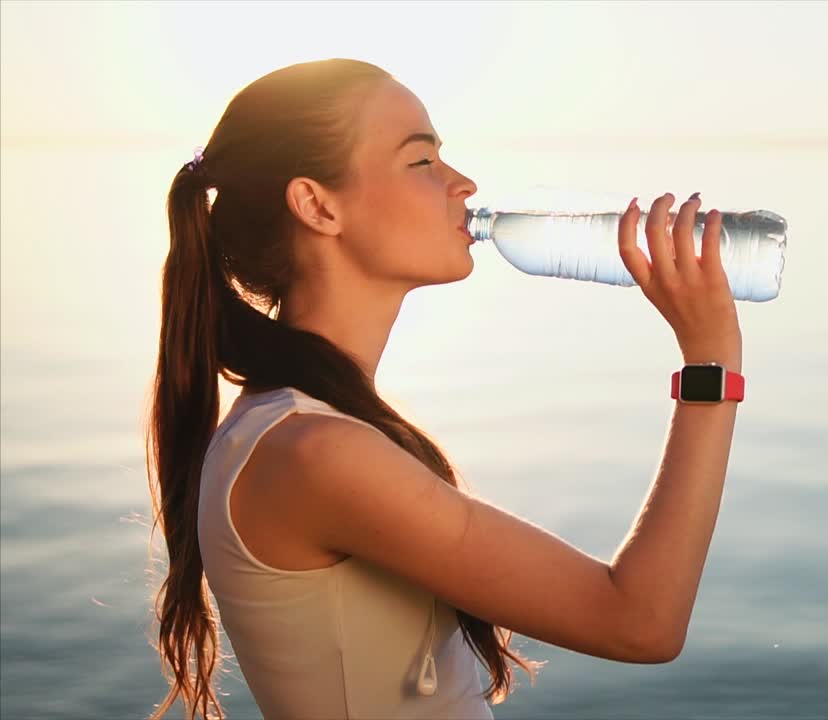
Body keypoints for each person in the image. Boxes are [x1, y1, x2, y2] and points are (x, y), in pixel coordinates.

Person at [145, 58, 744, 720]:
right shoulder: (314, 453)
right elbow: (640, 621)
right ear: (319, 205)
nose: (463, 184)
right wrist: (710, 364)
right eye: (421, 161)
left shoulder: (303, 428)